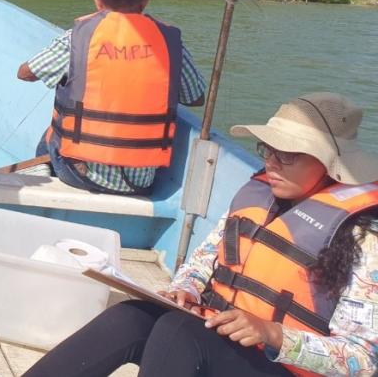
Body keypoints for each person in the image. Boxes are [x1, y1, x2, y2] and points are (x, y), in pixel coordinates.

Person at [22, 92, 378, 377]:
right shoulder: (260, 195)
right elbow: (204, 260)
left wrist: (273, 334)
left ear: (330, 163)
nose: (271, 162)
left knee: (180, 333)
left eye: (288, 155)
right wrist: (185, 290)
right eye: (268, 149)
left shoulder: (363, 237)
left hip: (284, 366)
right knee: (131, 317)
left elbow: (363, 359)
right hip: (227, 345)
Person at [17, 0, 206, 195]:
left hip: (81, 174)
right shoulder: (169, 43)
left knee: (52, 133)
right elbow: (196, 98)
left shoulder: (77, 38)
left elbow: (25, 73)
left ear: (98, 1)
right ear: (146, 1)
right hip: (140, 181)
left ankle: (43, 175)